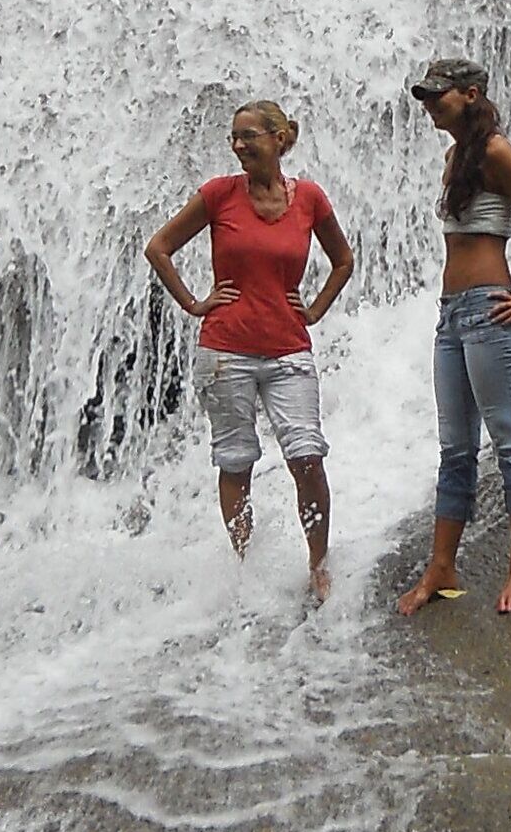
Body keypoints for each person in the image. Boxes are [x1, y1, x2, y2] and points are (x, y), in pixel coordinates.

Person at [145, 102, 354, 599]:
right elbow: (159, 247)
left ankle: (318, 564)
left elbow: (343, 260)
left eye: (248, 137)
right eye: (233, 138)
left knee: (307, 457)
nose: (238, 146)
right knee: (235, 460)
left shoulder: (309, 199)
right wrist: (196, 303)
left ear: (279, 139)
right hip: (225, 350)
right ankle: (243, 563)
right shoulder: (219, 195)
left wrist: (317, 308)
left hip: (288, 350)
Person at [395, 56, 511, 620]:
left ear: (470, 94)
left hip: (491, 311)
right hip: (451, 315)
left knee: (508, 436)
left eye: (438, 96)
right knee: (455, 446)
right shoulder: (455, 157)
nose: (430, 105)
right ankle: (442, 567)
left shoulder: (495, 151)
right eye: (425, 96)